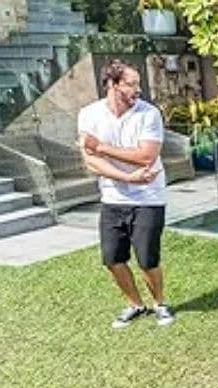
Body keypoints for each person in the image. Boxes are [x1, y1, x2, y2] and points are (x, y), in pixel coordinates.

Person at [78, 58, 175, 329]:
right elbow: (89, 160)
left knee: (147, 258)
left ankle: (160, 303)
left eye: (138, 84)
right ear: (112, 84)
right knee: (112, 259)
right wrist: (124, 177)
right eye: (131, 84)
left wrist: (102, 146)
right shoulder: (89, 114)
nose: (137, 90)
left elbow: (146, 155)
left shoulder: (148, 114)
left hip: (148, 197)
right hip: (112, 199)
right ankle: (135, 304)